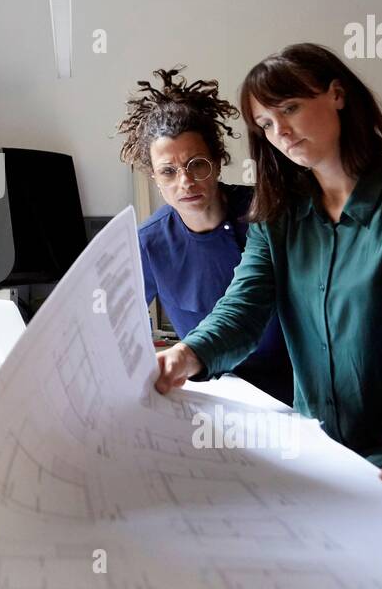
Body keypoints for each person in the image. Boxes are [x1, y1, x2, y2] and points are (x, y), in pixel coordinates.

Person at [154, 44, 382, 549]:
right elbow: (243, 309)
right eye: (265, 123)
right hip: (339, 462)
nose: (280, 132)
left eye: (289, 108)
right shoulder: (278, 213)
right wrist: (187, 353)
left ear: (337, 95)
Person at [118, 67, 294, 406]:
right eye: (168, 171)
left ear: (217, 160)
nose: (185, 182)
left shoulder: (266, 213)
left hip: (289, 389)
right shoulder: (148, 243)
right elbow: (115, 327)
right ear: (154, 178)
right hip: (211, 394)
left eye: (196, 164)